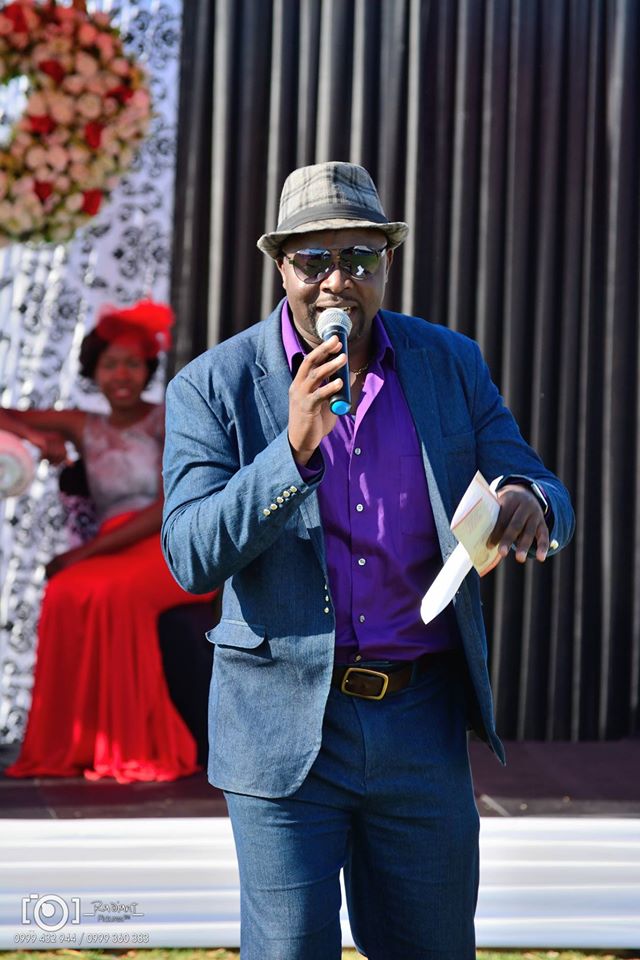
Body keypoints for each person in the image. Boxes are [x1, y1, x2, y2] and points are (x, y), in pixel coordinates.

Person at [161, 162, 574, 959]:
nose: (336, 282)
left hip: (419, 721)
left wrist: (531, 500)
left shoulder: (448, 362)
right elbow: (189, 555)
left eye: (359, 257)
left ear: (388, 261)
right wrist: (290, 452)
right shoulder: (212, 386)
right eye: (314, 260)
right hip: (283, 727)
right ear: (281, 267)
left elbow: (533, 477)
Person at [2, 299, 215, 783]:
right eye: (110, 364)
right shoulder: (82, 424)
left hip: (169, 544)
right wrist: (37, 435)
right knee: (63, 590)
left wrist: (83, 552)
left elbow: (168, 505)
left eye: (133, 364)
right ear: (94, 371)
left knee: (109, 592)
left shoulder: (167, 418)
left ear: (148, 370)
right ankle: (78, 744)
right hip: (113, 546)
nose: (121, 375)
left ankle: (135, 742)